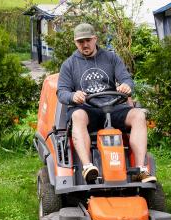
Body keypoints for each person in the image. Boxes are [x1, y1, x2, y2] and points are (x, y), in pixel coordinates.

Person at [56, 22, 155, 184]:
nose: (85, 44)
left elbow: (126, 79)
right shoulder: (69, 65)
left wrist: (126, 86)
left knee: (138, 115)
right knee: (77, 115)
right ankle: (88, 167)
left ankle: (140, 169)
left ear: (95, 39)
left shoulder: (111, 58)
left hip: (114, 107)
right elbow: (62, 92)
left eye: (88, 40)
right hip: (88, 110)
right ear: (75, 42)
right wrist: (73, 96)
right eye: (80, 42)